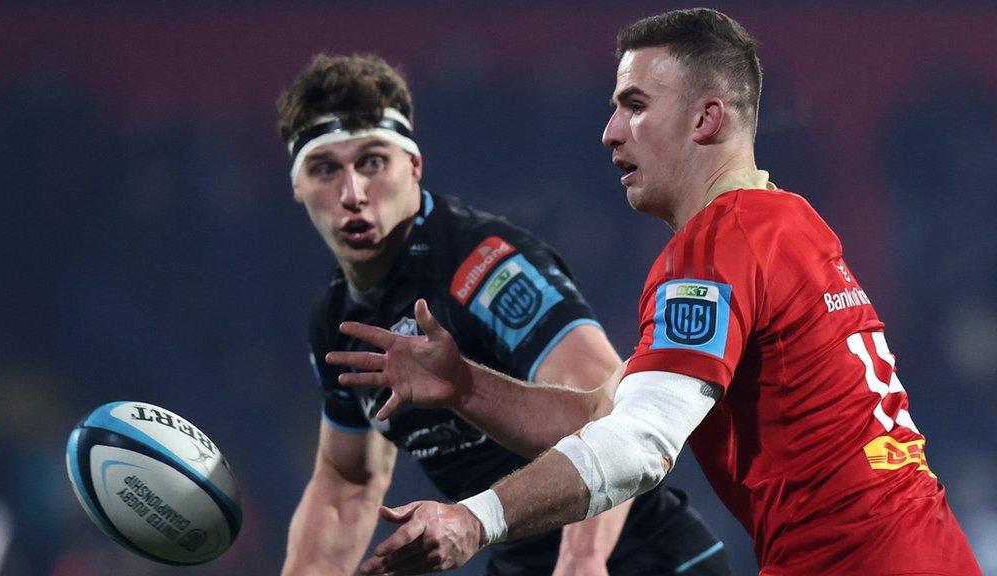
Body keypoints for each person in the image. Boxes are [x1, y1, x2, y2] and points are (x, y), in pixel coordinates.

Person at [326, 8, 984, 576]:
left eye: (635, 105)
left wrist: (473, 520)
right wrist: (466, 387)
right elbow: (614, 419)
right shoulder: (789, 221)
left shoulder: (719, 243)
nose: (610, 131)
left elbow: (640, 447)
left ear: (706, 118)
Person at [276, 53, 730, 576]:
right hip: (517, 558)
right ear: (297, 185)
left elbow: (609, 405)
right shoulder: (336, 320)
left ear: (414, 166)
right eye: (326, 169)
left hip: (640, 559)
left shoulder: (483, 265)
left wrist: (583, 559)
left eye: (373, 162)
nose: (353, 194)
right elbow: (346, 482)